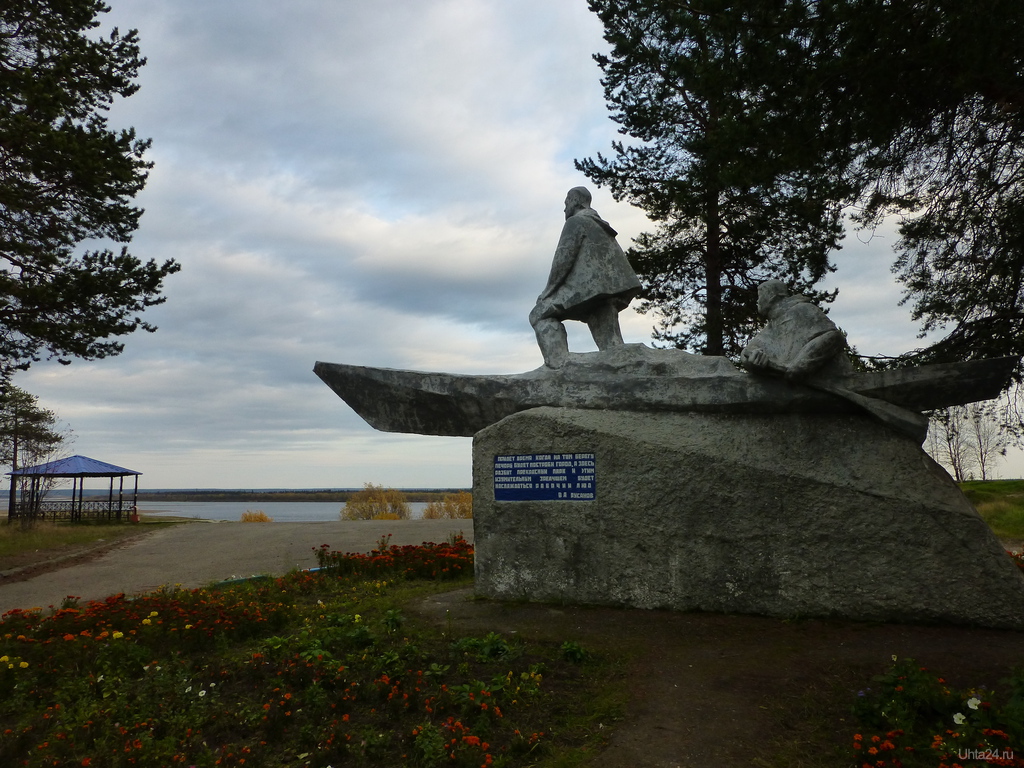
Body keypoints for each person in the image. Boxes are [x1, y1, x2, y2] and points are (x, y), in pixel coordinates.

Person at [529, 187, 642, 368]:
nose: (564, 209)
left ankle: (559, 366)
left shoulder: (576, 222)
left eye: (566, 203)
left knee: (539, 314)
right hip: (608, 291)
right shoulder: (600, 225)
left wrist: (548, 292)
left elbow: (563, 260)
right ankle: (626, 371)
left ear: (575, 201)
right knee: (611, 347)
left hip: (589, 291)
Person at [739, 279, 851, 381]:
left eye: (760, 296)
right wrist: (751, 360)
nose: (757, 301)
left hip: (831, 380)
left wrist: (800, 364)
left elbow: (834, 337)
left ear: (772, 296)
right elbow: (748, 351)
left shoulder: (803, 310)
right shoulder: (770, 328)